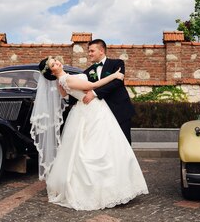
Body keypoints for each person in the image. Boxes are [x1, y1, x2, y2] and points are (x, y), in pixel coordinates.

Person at [31, 55, 148, 211]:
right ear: (52, 72)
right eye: (54, 64)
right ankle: (102, 190)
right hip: (93, 111)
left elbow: (65, 95)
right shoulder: (67, 79)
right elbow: (92, 85)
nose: (57, 62)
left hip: (82, 111)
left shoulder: (61, 82)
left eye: (55, 60)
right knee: (102, 147)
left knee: (88, 148)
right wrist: (114, 75)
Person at [82, 39, 135, 143]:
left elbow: (116, 83)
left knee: (124, 143)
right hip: (100, 115)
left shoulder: (117, 63)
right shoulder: (87, 72)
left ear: (101, 51)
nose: (89, 54)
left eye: (92, 51)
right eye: (88, 51)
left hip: (120, 111)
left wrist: (94, 93)